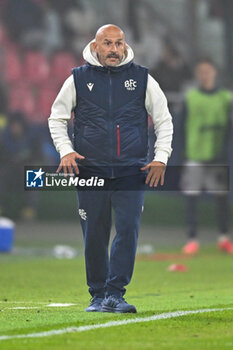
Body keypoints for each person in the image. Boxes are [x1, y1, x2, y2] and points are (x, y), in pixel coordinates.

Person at [48, 24, 173, 313]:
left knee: (128, 230)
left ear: (125, 46)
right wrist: (66, 151)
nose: (114, 49)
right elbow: (57, 118)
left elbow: (164, 120)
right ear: (95, 46)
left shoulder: (142, 79)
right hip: (90, 171)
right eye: (107, 43)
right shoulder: (77, 79)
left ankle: (115, 294)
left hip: (132, 169)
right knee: (95, 233)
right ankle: (97, 295)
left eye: (118, 44)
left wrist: (161, 157)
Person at [180, 58, 233, 255]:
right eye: (201, 71)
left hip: (217, 155)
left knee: (221, 200)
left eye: (208, 71)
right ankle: (192, 239)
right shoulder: (190, 97)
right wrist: (182, 154)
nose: (205, 75)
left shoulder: (226, 98)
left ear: (215, 73)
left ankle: (223, 238)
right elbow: (181, 126)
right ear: (197, 74)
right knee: (192, 199)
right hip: (194, 155)